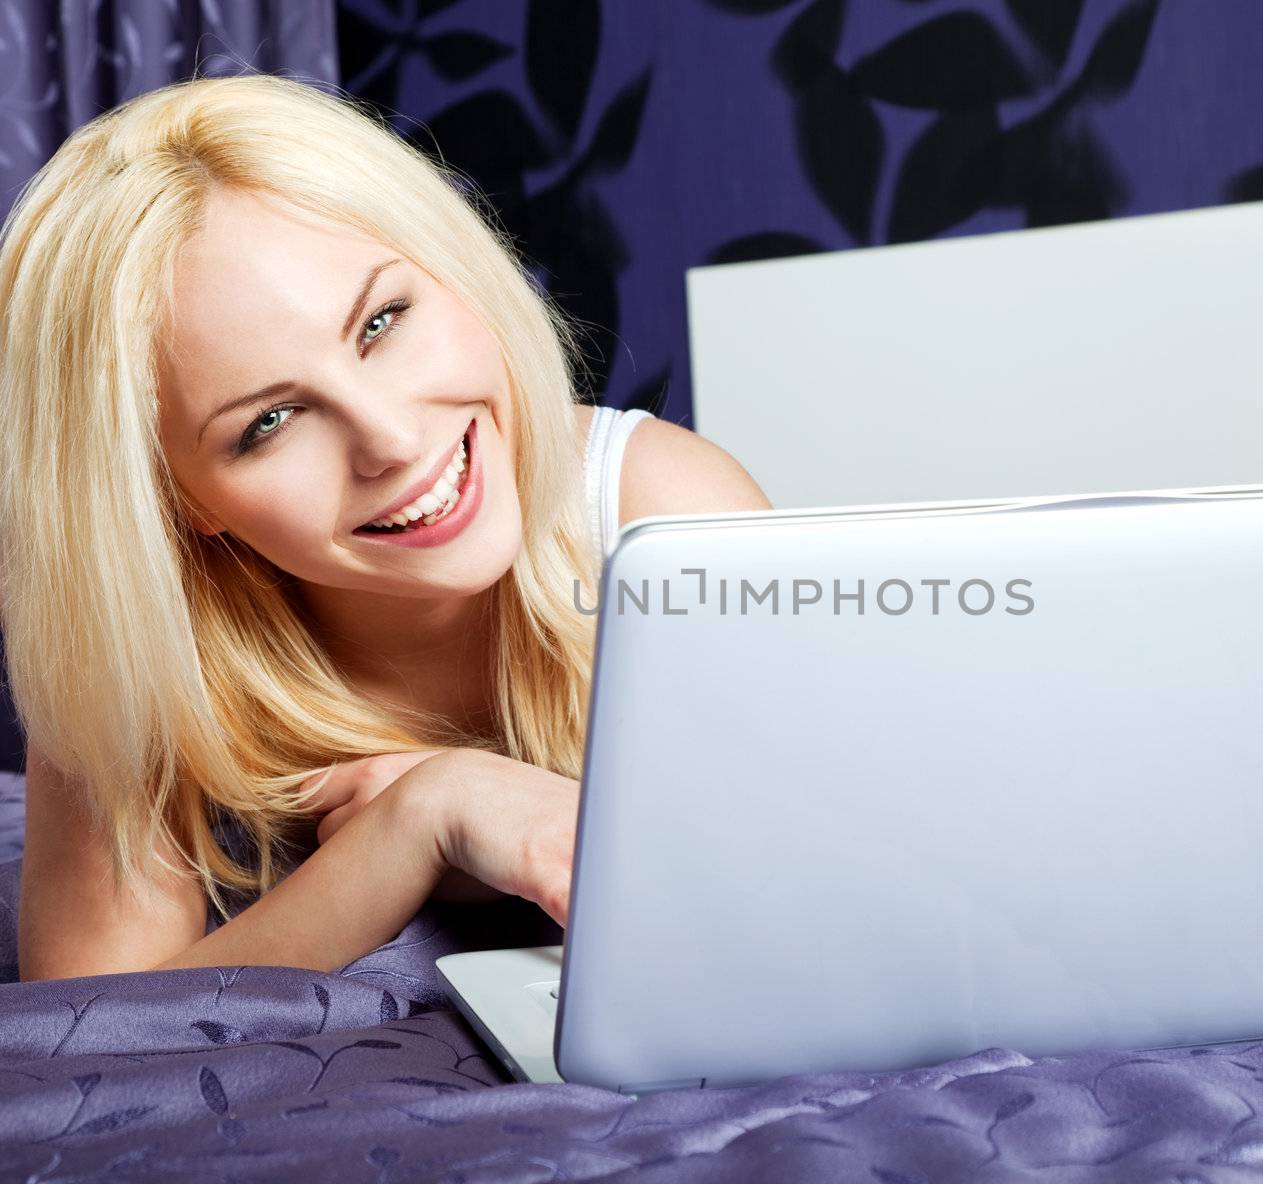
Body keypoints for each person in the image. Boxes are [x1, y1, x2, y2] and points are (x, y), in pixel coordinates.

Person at [0, 73, 771, 982]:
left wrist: (549, 816)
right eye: (268, 423)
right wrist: (424, 825)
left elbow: (800, 887)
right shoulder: (133, 637)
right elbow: (92, 1018)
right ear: (180, 503)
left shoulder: (657, 511)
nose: (393, 440)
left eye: (382, 321)